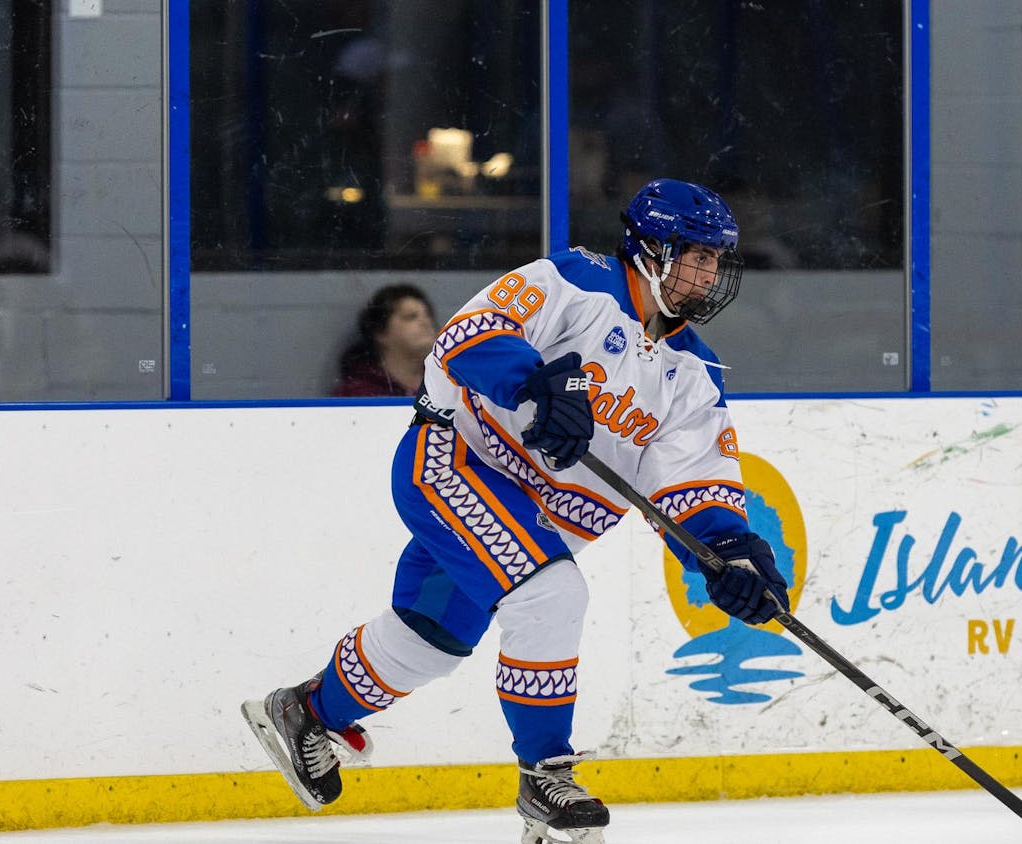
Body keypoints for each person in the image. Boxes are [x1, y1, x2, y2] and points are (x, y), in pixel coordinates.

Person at [243, 178, 790, 844]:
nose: (706, 272)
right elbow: (472, 335)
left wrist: (732, 557)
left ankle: (305, 712)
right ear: (648, 248)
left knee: (428, 641)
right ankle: (544, 776)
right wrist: (535, 386)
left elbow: (697, 490)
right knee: (551, 594)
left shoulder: (694, 376)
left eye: (714, 259)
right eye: (693, 254)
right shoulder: (575, 281)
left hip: (536, 521)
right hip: (457, 464)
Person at [330, 284, 437, 397]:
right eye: (410, 317)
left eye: (428, 315)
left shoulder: (446, 386)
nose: (426, 323)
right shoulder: (356, 394)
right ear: (380, 332)